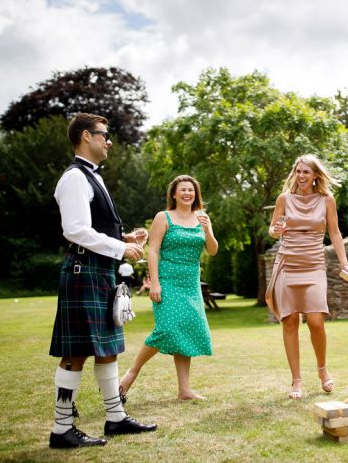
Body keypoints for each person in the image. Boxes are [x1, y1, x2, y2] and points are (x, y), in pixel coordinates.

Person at [49, 113, 157, 449]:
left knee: (108, 350)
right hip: (84, 273)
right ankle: (61, 428)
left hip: (98, 272)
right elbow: (75, 230)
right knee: (77, 352)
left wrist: (122, 236)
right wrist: (120, 248)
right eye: (104, 135)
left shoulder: (92, 177)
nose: (109, 141)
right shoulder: (74, 178)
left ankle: (115, 418)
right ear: (86, 136)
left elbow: (92, 226)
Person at [120, 175, 218, 401]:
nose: (187, 193)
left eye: (191, 190)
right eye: (183, 190)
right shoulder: (163, 217)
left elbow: (212, 250)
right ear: (174, 194)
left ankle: (184, 390)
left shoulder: (202, 217)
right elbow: (152, 251)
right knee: (167, 329)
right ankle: (130, 375)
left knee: (185, 330)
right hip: (167, 281)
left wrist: (208, 231)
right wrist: (154, 283)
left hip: (190, 283)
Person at [266, 154, 348, 399]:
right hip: (287, 263)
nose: (302, 176)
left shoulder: (327, 200)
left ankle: (322, 370)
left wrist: (345, 264)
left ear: (316, 175)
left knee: (316, 321)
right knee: (290, 321)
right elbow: (272, 230)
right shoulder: (284, 199)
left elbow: (335, 234)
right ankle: (296, 381)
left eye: (306, 172)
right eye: (298, 171)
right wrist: (277, 230)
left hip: (314, 264)